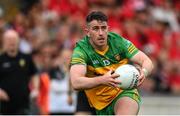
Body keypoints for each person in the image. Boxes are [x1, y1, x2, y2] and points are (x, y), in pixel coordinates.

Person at [70, 11, 154, 115]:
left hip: (123, 92)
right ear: (88, 32)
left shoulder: (118, 42)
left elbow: (146, 61)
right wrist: (102, 80)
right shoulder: (81, 50)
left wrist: (144, 72)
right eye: (96, 29)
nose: (101, 33)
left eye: (103, 28)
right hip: (99, 102)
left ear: (107, 29)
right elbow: (76, 82)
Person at [0, 29, 39, 114]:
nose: (12, 42)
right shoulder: (1, 59)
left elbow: (34, 74)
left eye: (14, 39)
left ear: (18, 41)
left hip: (24, 105)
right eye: (9, 39)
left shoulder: (26, 57)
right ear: (4, 42)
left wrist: (35, 89)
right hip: (3, 106)